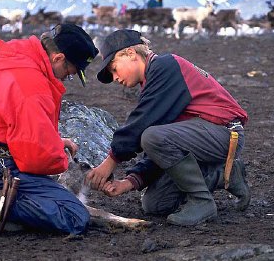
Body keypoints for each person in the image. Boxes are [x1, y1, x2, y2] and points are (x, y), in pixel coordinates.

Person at [86, 29, 250, 226]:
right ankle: (225, 175)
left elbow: (144, 127)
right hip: (200, 137)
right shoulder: (153, 79)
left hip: (224, 132)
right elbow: (162, 143)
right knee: (155, 204)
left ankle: (202, 202)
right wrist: (130, 182)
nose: (115, 78)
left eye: (114, 69)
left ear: (130, 53)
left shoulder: (165, 66)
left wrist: (110, 162)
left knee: (151, 136)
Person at [0, 23, 99, 237]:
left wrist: (56, 142)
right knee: (74, 215)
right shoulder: (31, 83)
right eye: (69, 72)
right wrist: (64, 160)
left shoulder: (10, 56)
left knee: (44, 199)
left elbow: (9, 123)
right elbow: (36, 157)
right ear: (58, 58)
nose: (65, 78)